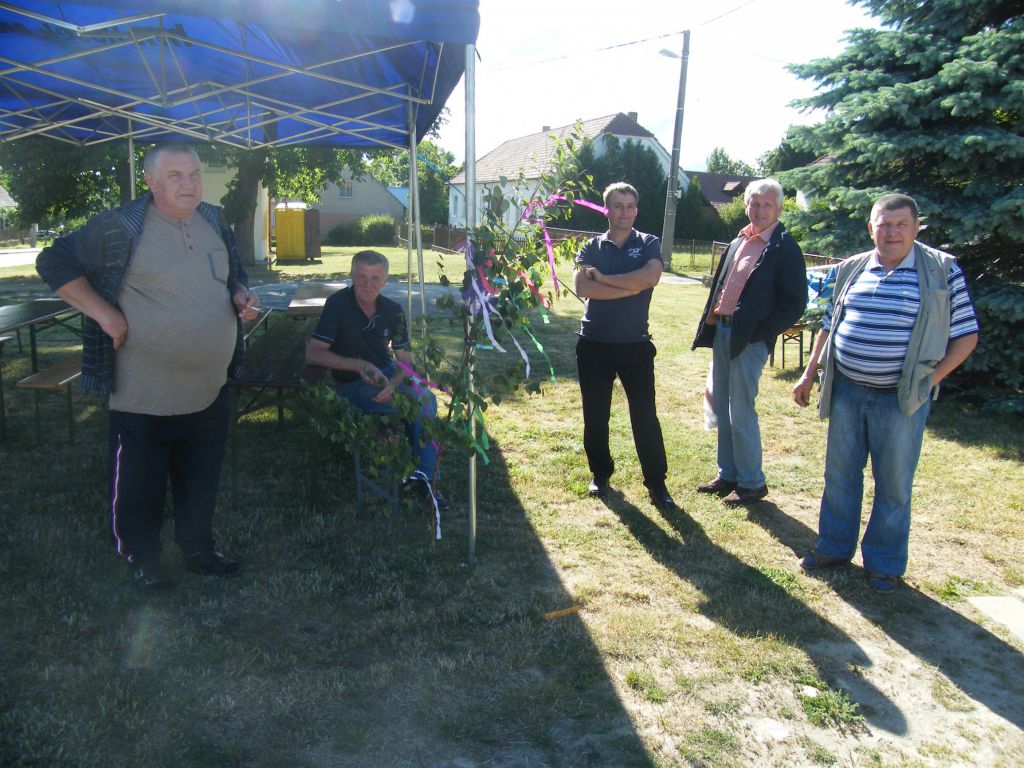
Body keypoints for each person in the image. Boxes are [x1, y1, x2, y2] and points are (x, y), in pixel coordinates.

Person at [36, 142, 259, 592]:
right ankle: (143, 558)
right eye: (175, 175)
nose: (188, 184)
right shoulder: (119, 226)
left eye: (193, 174)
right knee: (141, 482)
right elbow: (53, 260)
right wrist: (104, 313)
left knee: (201, 477)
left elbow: (232, 273)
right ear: (150, 181)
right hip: (145, 390)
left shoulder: (214, 219)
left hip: (209, 385)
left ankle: (199, 549)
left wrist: (240, 293)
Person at [793, 193, 979, 593]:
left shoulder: (941, 271)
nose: (892, 232)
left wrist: (929, 381)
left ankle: (884, 564)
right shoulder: (853, 267)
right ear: (871, 228)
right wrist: (809, 374)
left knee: (893, 482)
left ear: (916, 227)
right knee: (839, 473)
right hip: (847, 390)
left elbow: (966, 336)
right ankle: (833, 547)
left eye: (900, 224)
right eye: (884, 224)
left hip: (900, 398)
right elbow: (829, 324)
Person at [692, 178, 807, 505]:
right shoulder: (738, 241)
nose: (759, 210)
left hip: (749, 339)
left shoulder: (784, 247)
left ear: (779, 209)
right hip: (723, 331)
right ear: (746, 206)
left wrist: (761, 332)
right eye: (754, 203)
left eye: (767, 204)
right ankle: (728, 475)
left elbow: (795, 303)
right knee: (723, 406)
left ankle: (752, 483)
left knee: (741, 409)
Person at [305, 249, 443, 508]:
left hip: (387, 377)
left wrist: (394, 383)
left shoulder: (393, 310)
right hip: (350, 385)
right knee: (417, 406)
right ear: (351, 276)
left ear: (385, 280)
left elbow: (406, 362)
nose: (368, 284)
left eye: (375, 278)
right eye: (361, 276)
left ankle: (423, 479)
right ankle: (424, 479)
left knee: (425, 399)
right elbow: (313, 353)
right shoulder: (337, 304)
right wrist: (359, 365)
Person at [574, 182, 677, 511]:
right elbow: (582, 287)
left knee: (645, 417)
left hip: (635, 345)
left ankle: (656, 483)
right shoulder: (592, 246)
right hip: (594, 343)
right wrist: (630, 287)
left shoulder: (648, 243)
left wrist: (603, 279)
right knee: (595, 415)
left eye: (630, 206)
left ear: (636, 210)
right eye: (618, 206)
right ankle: (600, 474)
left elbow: (650, 278)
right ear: (607, 209)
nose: (625, 212)